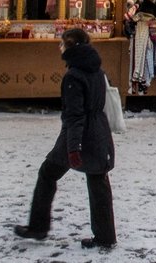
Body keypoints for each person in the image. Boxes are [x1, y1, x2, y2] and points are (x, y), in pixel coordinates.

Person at [14, 28, 116, 249]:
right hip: (99, 131)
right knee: (98, 181)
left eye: (62, 44)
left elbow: (74, 115)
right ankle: (106, 236)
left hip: (77, 135)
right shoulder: (98, 70)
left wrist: (73, 147)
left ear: (71, 47)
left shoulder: (73, 76)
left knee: (47, 174)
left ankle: (38, 227)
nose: (59, 48)